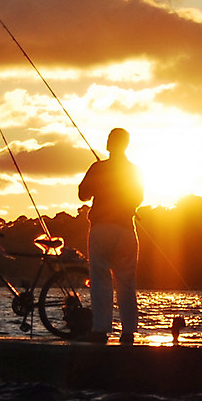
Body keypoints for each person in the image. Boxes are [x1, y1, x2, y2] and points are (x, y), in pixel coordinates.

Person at [76, 127, 141, 343]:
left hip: (102, 229)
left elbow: (82, 194)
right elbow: (138, 198)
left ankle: (100, 330)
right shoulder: (134, 170)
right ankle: (128, 332)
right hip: (126, 230)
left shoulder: (98, 167)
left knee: (100, 279)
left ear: (110, 143)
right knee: (126, 282)